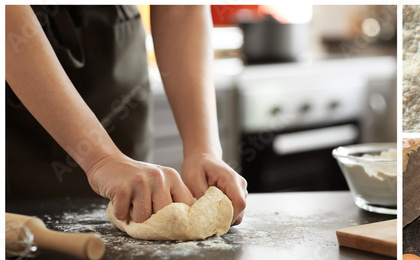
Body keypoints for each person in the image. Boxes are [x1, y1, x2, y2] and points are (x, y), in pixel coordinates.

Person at [6, 5, 247, 225]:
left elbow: (179, 8)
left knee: (139, 201)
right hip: (17, 65)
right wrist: (102, 159)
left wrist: (203, 149)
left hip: (113, 49)